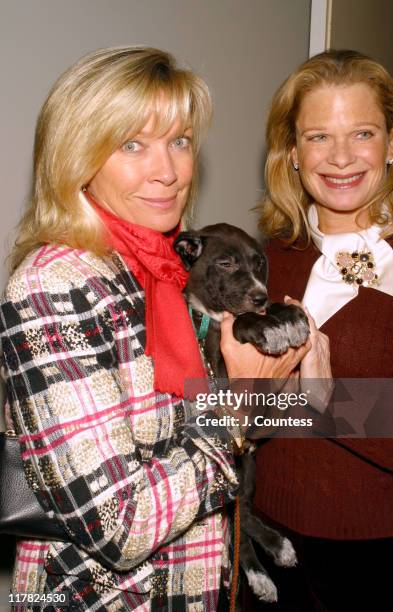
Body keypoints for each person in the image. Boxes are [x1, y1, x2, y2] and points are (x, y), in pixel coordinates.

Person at [0, 46, 308, 611]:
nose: (168, 170)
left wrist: (294, 388)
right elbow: (119, 525)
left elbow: (206, 429)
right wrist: (237, 409)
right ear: (79, 157)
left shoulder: (166, 272)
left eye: (180, 141)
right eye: (132, 144)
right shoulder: (57, 287)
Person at [252, 49, 393, 612]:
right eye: (317, 137)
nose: (340, 158)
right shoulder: (264, 262)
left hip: (387, 558)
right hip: (268, 541)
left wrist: (337, 405)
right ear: (291, 152)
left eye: (362, 132)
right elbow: (240, 416)